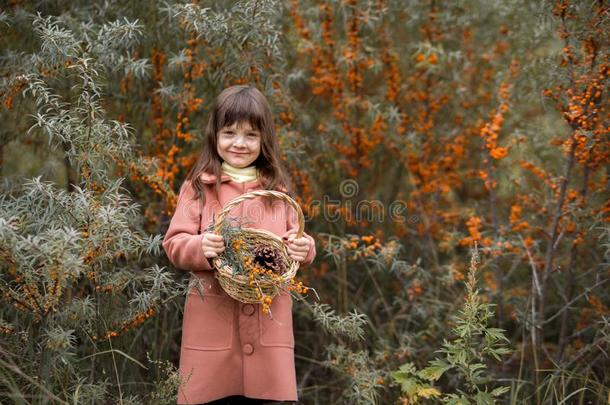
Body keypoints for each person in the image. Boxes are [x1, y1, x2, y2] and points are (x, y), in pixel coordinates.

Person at [162, 84, 316, 405]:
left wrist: (304, 247)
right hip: (212, 331)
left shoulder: (278, 192)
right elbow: (175, 242)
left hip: (267, 329)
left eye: (251, 135)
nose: (240, 144)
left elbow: (295, 238)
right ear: (214, 135)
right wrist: (201, 246)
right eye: (230, 132)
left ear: (264, 140)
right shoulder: (198, 189)